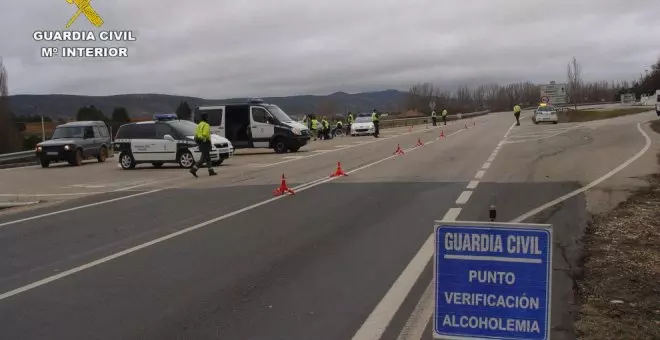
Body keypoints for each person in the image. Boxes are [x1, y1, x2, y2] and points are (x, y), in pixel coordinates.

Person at [189, 113, 217, 177]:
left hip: (200, 142)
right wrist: (206, 138)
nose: (208, 118)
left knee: (208, 158)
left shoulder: (199, 124)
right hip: (205, 142)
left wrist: (201, 139)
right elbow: (205, 134)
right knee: (203, 158)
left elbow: (197, 133)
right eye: (207, 117)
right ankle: (193, 169)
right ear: (206, 118)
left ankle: (211, 171)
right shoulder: (206, 125)